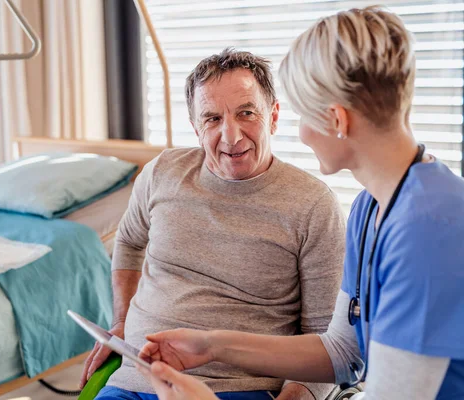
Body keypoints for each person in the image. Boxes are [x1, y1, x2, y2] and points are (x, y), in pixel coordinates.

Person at [137, 6, 464, 400]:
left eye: (302, 114)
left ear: (337, 120)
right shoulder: (369, 208)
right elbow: (343, 353)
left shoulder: (431, 229)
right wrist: (211, 346)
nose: (303, 135)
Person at [80, 48, 347, 400]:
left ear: (274, 116)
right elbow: (129, 243)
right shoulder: (162, 173)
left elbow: (327, 342)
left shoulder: (313, 204)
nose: (231, 136)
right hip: (136, 380)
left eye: (246, 113)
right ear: (195, 127)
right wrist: (121, 323)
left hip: (241, 388)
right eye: (212, 119)